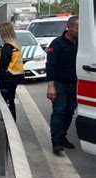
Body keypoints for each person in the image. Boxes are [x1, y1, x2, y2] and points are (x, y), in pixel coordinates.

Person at [46, 16, 79, 154]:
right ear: (69, 27)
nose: (80, 31)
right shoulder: (57, 43)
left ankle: (63, 137)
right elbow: (50, 66)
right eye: (77, 28)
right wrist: (51, 86)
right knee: (59, 111)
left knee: (69, 112)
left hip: (75, 84)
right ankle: (56, 142)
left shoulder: (81, 43)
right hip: (59, 83)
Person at [0, 23, 24, 122]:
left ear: (3, 33)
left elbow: (2, 66)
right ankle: (12, 123)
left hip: (6, 79)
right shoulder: (17, 46)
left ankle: (8, 124)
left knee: (5, 103)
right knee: (11, 101)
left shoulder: (7, 48)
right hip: (15, 77)